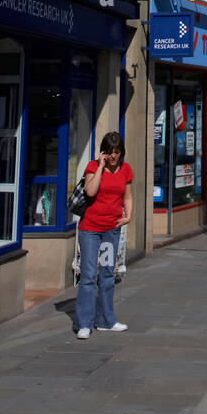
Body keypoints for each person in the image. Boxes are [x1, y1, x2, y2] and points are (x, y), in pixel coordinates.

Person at [75, 131, 133, 338]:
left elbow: (128, 196)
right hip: (90, 230)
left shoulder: (126, 170)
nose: (113, 156)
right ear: (103, 152)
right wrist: (100, 166)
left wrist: (128, 217)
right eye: (109, 152)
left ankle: (106, 321)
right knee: (89, 276)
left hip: (111, 230)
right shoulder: (92, 166)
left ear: (121, 152)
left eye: (116, 152)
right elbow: (90, 191)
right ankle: (84, 323)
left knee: (107, 275)